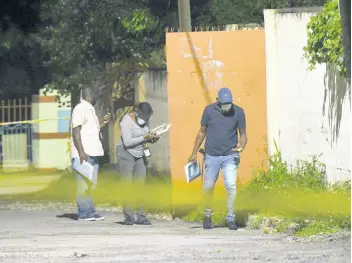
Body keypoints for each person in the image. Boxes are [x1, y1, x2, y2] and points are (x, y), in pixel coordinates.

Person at [188, 87, 247, 230]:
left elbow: (243, 134)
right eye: (224, 104)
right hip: (211, 155)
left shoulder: (238, 112)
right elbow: (202, 132)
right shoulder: (208, 111)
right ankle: (208, 215)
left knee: (231, 186)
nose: (227, 106)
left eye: (229, 103)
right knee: (208, 187)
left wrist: (241, 146)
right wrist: (194, 152)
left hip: (230, 155)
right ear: (217, 102)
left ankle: (231, 218)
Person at [71, 87, 111, 221]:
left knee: (90, 184)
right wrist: (81, 152)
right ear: (90, 95)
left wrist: (102, 123)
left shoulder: (89, 110)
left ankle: (91, 212)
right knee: (83, 184)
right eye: (95, 94)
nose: (96, 97)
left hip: (93, 153)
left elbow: (90, 131)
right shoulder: (80, 108)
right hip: (84, 154)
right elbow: (75, 131)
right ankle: (83, 213)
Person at [117, 102, 159, 225]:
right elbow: (128, 142)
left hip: (140, 153)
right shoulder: (126, 121)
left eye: (147, 118)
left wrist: (153, 138)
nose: (145, 119)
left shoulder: (145, 120)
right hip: (126, 153)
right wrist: (144, 138)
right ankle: (129, 217)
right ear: (136, 112)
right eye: (143, 116)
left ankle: (141, 217)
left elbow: (146, 134)